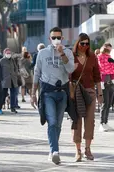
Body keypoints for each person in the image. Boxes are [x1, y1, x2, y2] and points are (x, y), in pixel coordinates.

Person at [31, 27, 74, 164]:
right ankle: (55, 151)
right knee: (52, 122)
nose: (56, 40)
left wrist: (62, 54)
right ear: (49, 39)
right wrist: (33, 93)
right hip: (47, 93)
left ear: (62, 38)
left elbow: (71, 69)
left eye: (58, 37)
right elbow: (37, 73)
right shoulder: (42, 53)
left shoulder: (67, 52)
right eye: (53, 37)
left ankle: (52, 149)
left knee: (59, 124)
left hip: (62, 92)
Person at [71, 33, 102, 162]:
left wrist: (100, 94)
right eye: (82, 43)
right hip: (76, 92)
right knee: (76, 121)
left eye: (87, 43)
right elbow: (66, 75)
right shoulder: (71, 56)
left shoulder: (92, 57)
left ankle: (87, 149)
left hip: (89, 92)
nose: (84, 46)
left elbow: (97, 77)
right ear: (77, 43)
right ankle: (77, 151)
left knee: (90, 122)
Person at [97, 44, 114, 132]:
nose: (108, 52)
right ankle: (101, 123)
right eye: (106, 50)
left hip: (110, 83)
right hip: (103, 83)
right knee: (104, 104)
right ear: (103, 49)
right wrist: (109, 69)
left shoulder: (109, 57)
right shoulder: (100, 57)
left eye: (109, 50)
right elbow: (102, 68)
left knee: (109, 104)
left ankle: (105, 122)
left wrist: (110, 69)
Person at [0, 48, 19, 113]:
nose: (9, 54)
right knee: (3, 93)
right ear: (4, 54)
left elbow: (16, 68)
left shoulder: (12, 60)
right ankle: (1, 105)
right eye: (7, 53)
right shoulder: (2, 61)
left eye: (9, 53)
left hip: (13, 79)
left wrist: (15, 74)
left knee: (13, 94)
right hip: (5, 80)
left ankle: (13, 107)